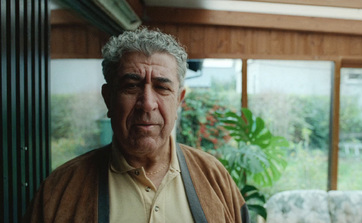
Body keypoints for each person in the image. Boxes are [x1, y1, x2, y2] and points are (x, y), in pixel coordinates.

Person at [24, 27, 249, 223]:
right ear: (108, 98)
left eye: (162, 87)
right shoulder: (59, 190)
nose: (147, 104)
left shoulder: (214, 177)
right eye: (131, 86)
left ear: (179, 100)